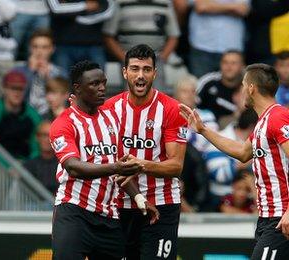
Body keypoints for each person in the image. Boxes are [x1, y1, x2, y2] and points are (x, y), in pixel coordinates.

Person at [50, 60, 158, 260]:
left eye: (103, 83)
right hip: (74, 212)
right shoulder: (63, 123)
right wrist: (116, 167)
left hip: (108, 217)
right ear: (78, 88)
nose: (102, 89)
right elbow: (72, 167)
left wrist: (138, 197)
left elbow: (119, 166)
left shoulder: (111, 119)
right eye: (94, 84)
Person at [180, 63, 289, 259]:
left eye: (243, 85)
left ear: (251, 88)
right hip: (269, 218)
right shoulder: (263, 122)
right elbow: (242, 152)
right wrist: (203, 130)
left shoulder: (277, 117)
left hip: (282, 216)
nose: (241, 91)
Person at [102, 44, 188, 260]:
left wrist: (140, 164)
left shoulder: (171, 109)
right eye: (135, 69)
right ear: (124, 72)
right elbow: (108, 163)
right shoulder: (109, 110)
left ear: (155, 73)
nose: (140, 76)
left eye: (146, 69)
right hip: (119, 205)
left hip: (162, 204)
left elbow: (176, 166)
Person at [0, 70, 42, 160]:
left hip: (25, 165)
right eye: (13, 88)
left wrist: (28, 166)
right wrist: (9, 167)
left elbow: (36, 147)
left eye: (20, 89)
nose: (17, 93)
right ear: (4, 89)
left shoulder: (32, 115)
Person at [14, 29, 66, 116]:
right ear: (30, 48)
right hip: (24, 117)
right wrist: (29, 71)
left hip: (49, 118)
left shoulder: (60, 73)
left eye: (44, 47)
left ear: (52, 49)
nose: (39, 52)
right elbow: (16, 97)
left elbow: (63, 100)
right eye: (35, 47)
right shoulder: (18, 70)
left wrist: (49, 78)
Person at [196, 50, 245, 123]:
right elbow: (192, 102)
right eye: (225, 62)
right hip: (203, 125)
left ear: (242, 66)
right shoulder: (209, 81)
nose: (229, 67)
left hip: (233, 129)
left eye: (233, 63)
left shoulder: (247, 87)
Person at [23, 120, 58, 194]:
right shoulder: (28, 166)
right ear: (37, 137)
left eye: (51, 135)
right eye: (44, 135)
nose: (47, 139)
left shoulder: (65, 165)